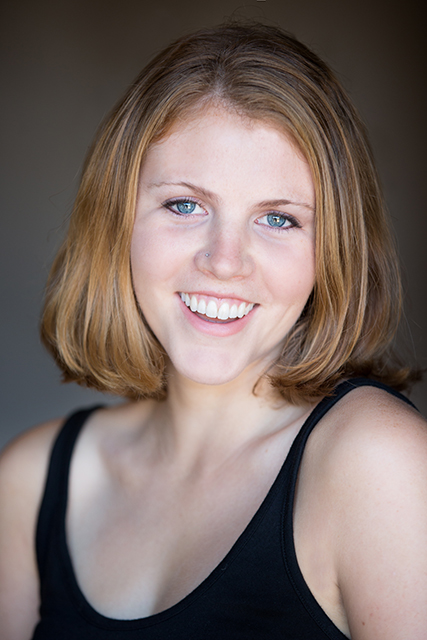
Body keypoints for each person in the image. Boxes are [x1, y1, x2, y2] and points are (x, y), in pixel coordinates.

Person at [0, 21, 426, 640]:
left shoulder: (379, 466)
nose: (225, 261)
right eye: (184, 206)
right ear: (116, 220)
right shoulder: (30, 482)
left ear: (333, 249)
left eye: (278, 219)